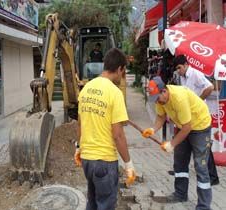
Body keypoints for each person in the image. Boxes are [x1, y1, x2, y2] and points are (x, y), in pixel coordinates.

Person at [75, 48, 136, 210]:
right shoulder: (114, 93)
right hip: (104, 162)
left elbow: (80, 123)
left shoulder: (86, 88)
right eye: (123, 72)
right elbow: (118, 136)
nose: (122, 77)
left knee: (93, 203)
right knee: (106, 205)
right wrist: (129, 164)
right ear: (119, 69)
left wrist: (78, 148)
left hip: (87, 160)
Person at [142, 76, 212, 209]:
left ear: (164, 91)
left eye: (157, 98)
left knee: (200, 166)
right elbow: (161, 117)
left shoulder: (179, 98)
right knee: (179, 162)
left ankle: (204, 205)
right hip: (183, 126)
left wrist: (171, 144)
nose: (156, 101)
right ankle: (180, 194)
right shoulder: (161, 101)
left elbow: (187, 127)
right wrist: (152, 129)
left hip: (200, 127)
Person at [173, 54, 219, 186]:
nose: (178, 70)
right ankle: (184, 169)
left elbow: (210, 87)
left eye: (179, 67)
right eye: (177, 68)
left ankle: (213, 176)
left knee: (203, 148)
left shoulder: (195, 74)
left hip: (199, 115)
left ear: (186, 64)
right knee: (197, 146)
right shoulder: (182, 77)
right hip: (189, 115)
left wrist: (198, 100)